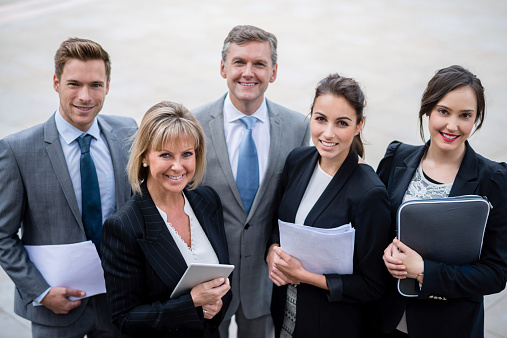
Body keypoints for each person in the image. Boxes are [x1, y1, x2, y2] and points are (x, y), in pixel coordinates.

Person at [0, 38, 137, 337]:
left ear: (108, 85)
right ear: (56, 83)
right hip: (56, 310)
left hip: (121, 303)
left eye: (95, 85)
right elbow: (2, 235)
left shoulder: (128, 132)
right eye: (74, 84)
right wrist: (41, 292)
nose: (85, 96)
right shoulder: (18, 150)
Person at [193, 25, 310, 337]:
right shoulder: (195, 125)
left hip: (266, 283)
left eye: (259, 64)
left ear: (273, 72)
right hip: (207, 284)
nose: (248, 73)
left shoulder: (297, 127)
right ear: (223, 68)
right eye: (239, 62)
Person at [375, 65, 507, 337]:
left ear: (476, 119)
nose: (452, 125)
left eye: (465, 115)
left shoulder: (493, 179)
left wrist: (424, 272)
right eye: (443, 111)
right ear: (428, 110)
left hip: (449, 325)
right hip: (385, 318)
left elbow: (495, 274)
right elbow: (373, 232)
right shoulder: (396, 158)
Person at [266, 73, 391, 337]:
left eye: (342, 123)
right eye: (320, 119)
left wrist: (304, 275)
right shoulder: (298, 160)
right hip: (285, 310)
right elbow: (279, 224)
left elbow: (372, 285)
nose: (328, 133)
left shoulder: (369, 193)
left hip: (330, 323)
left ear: (359, 126)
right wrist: (273, 251)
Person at [101, 101, 232, 337]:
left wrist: (217, 304)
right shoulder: (123, 226)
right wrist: (191, 303)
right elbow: (124, 318)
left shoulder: (207, 200)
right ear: (144, 157)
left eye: (187, 154)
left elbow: (222, 279)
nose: (177, 166)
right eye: (165, 155)